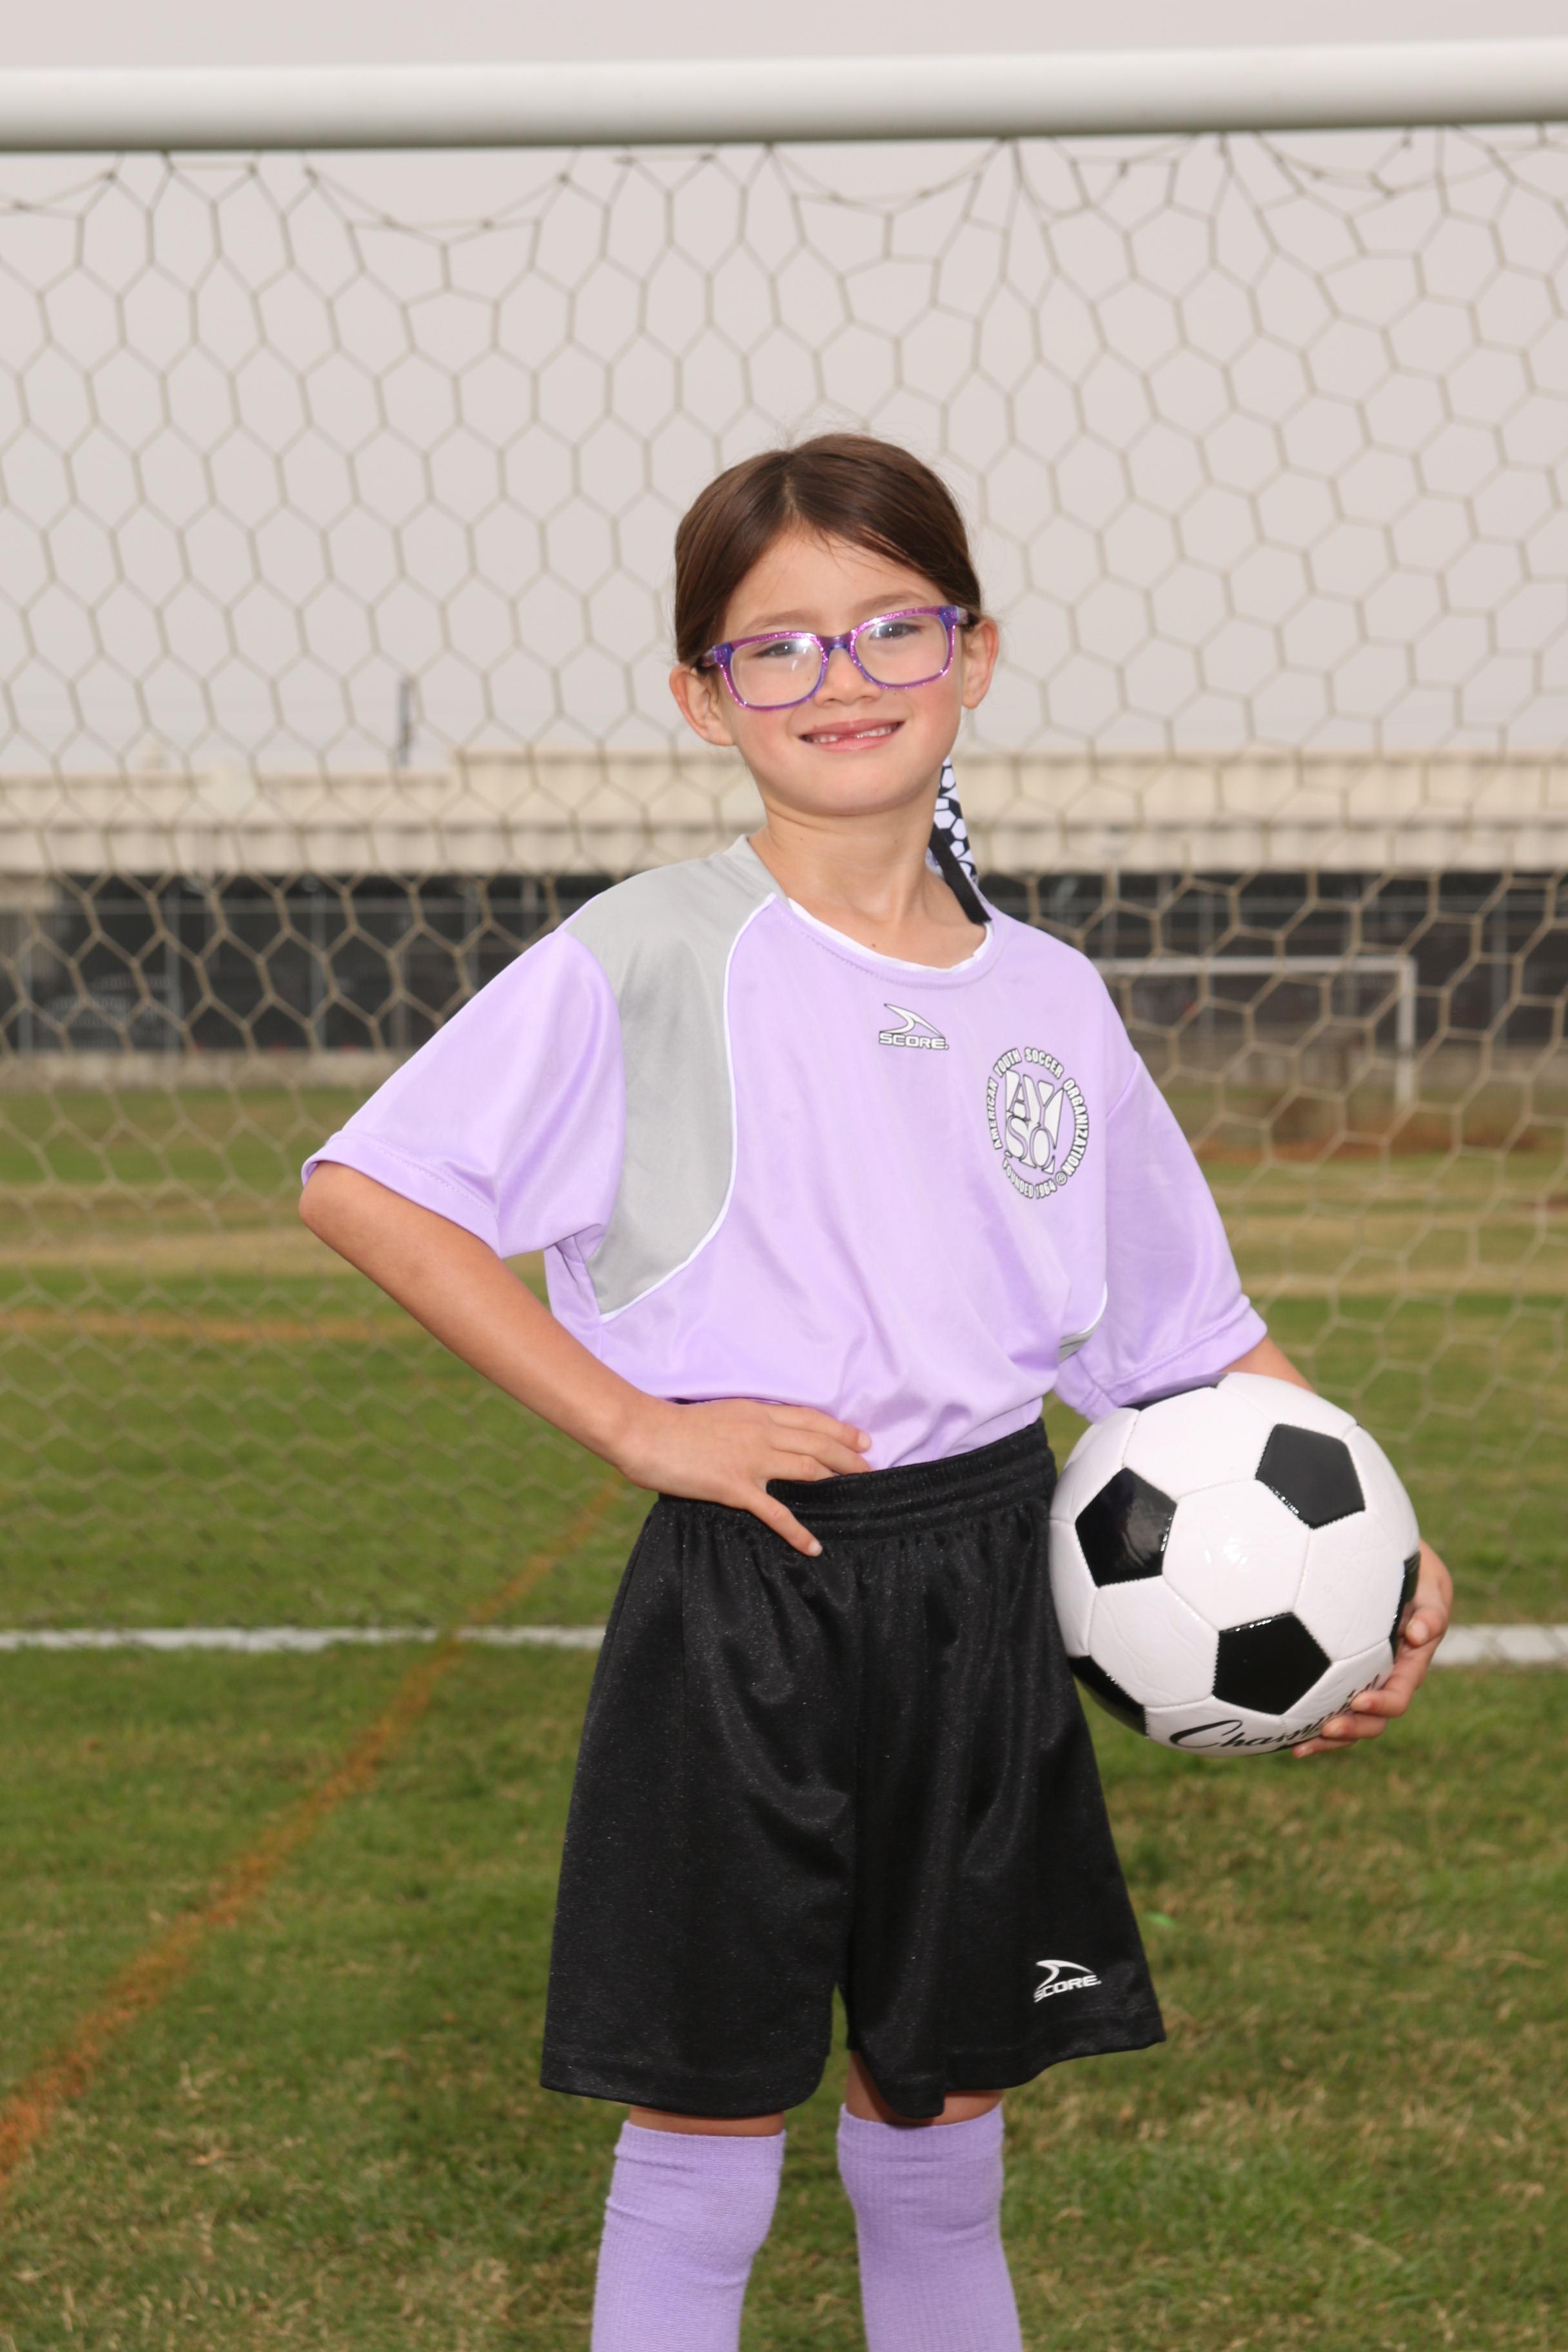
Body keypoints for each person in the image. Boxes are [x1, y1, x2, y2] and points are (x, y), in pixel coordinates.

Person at [299, 433, 1453, 2352]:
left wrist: (1386, 1545)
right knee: (706, 2131)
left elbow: (1187, 1334)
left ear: (972, 654)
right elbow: (368, 1187)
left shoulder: (1051, 999)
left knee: (942, 2128)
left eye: (890, 628)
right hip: (752, 1586)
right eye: (778, 646)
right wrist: (635, 1425)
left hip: (992, 1578)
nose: (840, 679)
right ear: (706, 696)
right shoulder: (653, 954)